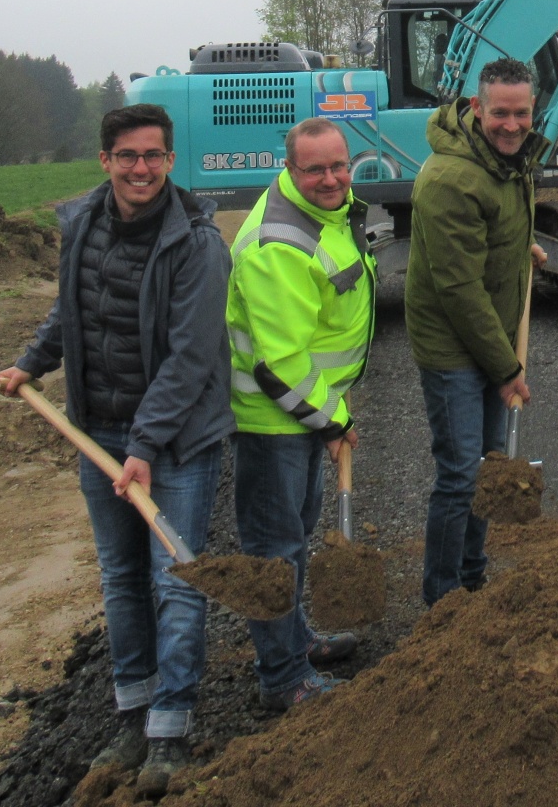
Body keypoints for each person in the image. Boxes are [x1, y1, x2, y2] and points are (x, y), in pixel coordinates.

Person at [0, 104, 232, 797]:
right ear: (105, 161)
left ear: (170, 161)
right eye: (127, 156)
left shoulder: (196, 240)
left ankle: (171, 730)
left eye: (153, 156)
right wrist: (31, 362)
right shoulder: (83, 225)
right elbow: (70, 313)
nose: (141, 169)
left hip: (176, 442)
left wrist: (146, 446)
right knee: (121, 577)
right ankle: (132, 715)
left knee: (176, 576)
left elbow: (191, 358)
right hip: (97, 431)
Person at [225, 118, 375, 711]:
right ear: (289, 170)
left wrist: (330, 413)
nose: (331, 179)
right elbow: (280, 365)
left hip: (303, 417)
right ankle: (283, 679)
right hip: (273, 421)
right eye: (315, 169)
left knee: (294, 535)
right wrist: (333, 421)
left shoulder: (331, 213)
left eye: (339, 166)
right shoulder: (276, 246)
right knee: (272, 551)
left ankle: (298, 640)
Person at [405, 57, 548, 605]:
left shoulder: (509, 159)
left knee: (488, 467)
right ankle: (443, 600)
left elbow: (501, 221)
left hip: (490, 333)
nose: (512, 125)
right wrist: (508, 369)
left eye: (521, 114)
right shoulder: (449, 179)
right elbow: (459, 290)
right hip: (452, 345)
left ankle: (471, 577)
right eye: (499, 114)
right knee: (462, 473)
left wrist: (521, 246)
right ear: (474, 108)